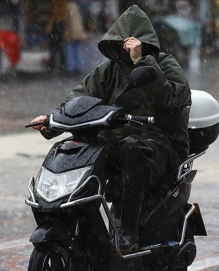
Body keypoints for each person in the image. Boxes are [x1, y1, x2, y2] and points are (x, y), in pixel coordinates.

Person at [31, 5, 191, 252]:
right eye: (121, 43)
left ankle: (129, 231)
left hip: (160, 142)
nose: (124, 48)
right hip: (117, 139)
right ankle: (81, 230)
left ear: (143, 43)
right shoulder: (110, 69)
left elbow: (172, 97)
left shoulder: (164, 64)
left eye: (130, 43)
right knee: (78, 150)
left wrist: (142, 61)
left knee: (133, 149)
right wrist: (52, 121)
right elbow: (80, 97)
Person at [64, 0, 87, 76]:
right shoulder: (75, 6)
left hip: (72, 31)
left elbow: (68, 22)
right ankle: (79, 67)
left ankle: (72, 68)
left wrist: (67, 34)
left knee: (70, 49)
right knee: (77, 50)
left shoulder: (67, 7)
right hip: (78, 31)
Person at [46, 0, 68, 73]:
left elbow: (54, 14)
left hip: (57, 24)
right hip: (61, 23)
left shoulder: (56, 3)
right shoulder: (64, 4)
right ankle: (62, 66)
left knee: (54, 47)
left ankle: (53, 67)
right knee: (60, 47)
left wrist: (50, 25)